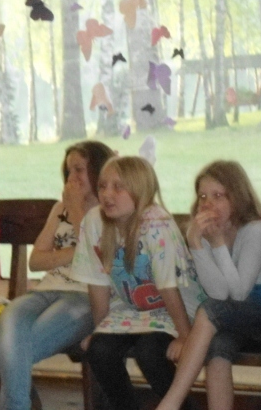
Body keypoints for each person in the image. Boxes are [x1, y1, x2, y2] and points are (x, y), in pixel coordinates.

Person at [70, 156, 206, 410]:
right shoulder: (94, 222)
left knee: (151, 353)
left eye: (118, 187)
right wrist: (100, 330)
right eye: (102, 186)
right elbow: (98, 283)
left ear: (140, 190)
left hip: (176, 309)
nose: (107, 194)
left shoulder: (156, 223)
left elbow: (168, 286)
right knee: (99, 350)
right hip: (132, 310)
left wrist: (185, 337)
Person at [157, 160, 261, 410]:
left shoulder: (255, 228)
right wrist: (197, 244)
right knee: (216, 346)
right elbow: (218, 292)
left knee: (209, 311)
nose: (208, 203)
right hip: (238, 315)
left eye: (218, 196)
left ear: (237, 197)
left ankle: (170, 404)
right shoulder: (208, 231)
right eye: (203, 196)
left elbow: (238, 293)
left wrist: (217, 243)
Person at [0, 140, 114, 410]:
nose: (72, 177)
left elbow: (99, 259)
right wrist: (76, 252)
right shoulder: (59, 209)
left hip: (84, 297)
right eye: (68, 170)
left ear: (97, 170)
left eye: (79, 170)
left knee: (12, 351)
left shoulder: (108, 210)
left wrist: (76, 211)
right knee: (9, 316)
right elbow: (36, 261)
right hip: (45, 290)